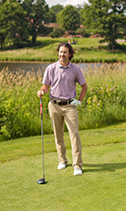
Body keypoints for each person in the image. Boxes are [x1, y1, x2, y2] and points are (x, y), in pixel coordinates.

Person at [37, 42, 88, 176]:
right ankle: (62, 160)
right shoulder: (51, 68)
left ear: (69, 54)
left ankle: (77, 165)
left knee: (74, 134)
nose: (62, 54)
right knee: (58, 134)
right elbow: (45, 86)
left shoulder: (75, 69)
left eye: (65, 52)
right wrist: (42, 91)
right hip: (54, 105)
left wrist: (80, 101)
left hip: (70, 105)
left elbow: (84, 86)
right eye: (60, 52)